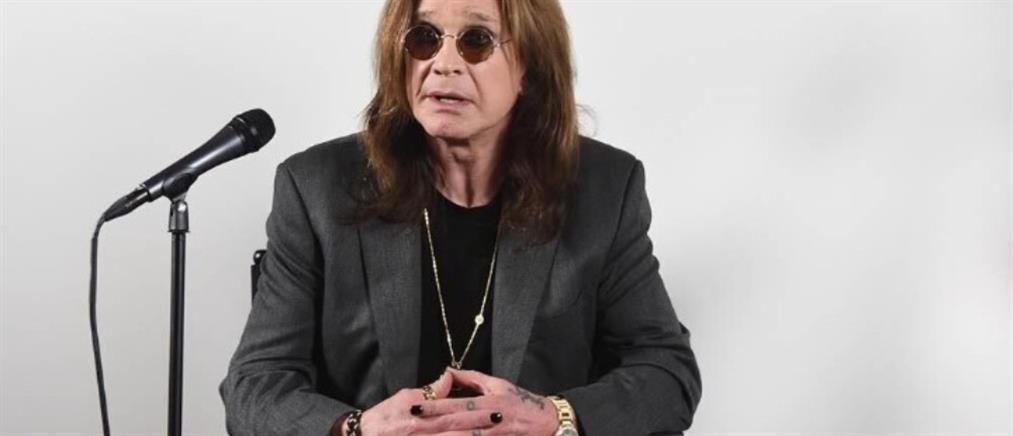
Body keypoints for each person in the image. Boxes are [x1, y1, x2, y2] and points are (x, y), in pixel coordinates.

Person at [219, 0, 702, 434]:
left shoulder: (604, 188)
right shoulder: (317, 188)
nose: (443, 63)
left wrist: (555, 417)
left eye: (476, 40)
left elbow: (667, 373)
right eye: (424, 38)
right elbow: (254, 386)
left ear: (530, 68)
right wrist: (357, 430)